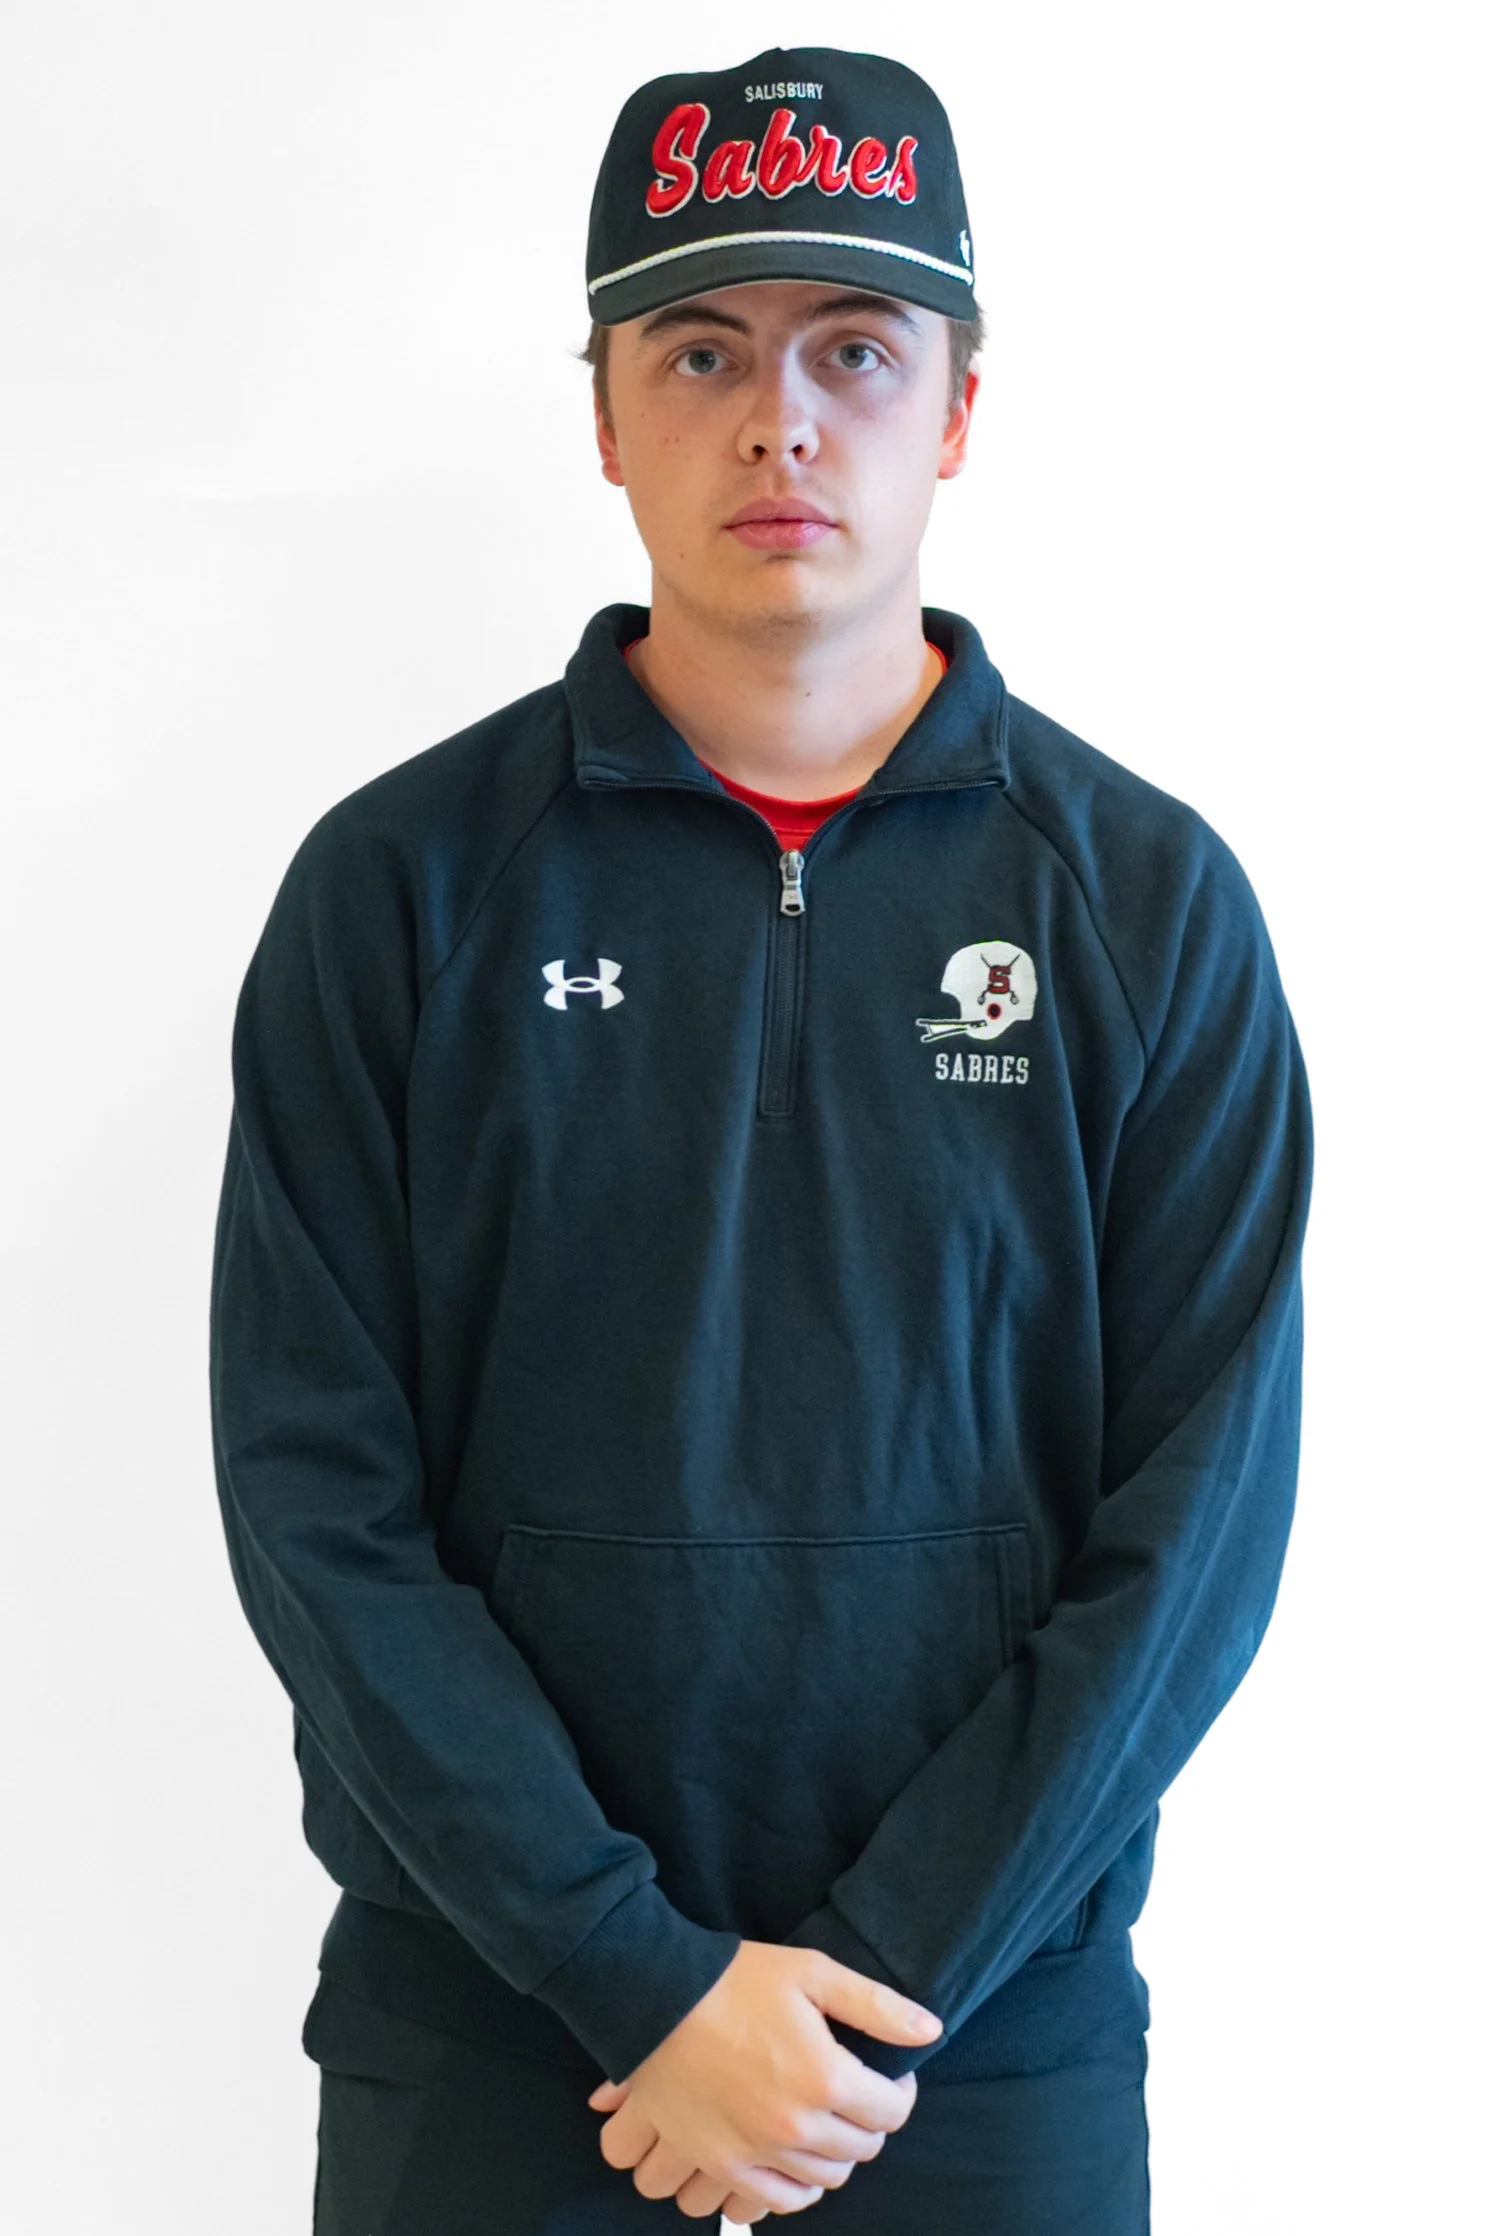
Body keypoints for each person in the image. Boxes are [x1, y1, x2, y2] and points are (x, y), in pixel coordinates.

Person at [208, 41, 1313, 2236]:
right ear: (607, 414)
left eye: (856, 349)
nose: (780, 417)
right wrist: (638, 1975)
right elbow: (314, 1495)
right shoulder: (400, 890)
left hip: (976, 2058)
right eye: (700, 346)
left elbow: (1195, 1531)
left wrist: (871, 1989)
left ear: (959, 411)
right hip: (499, 2039)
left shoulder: (1147, 906)